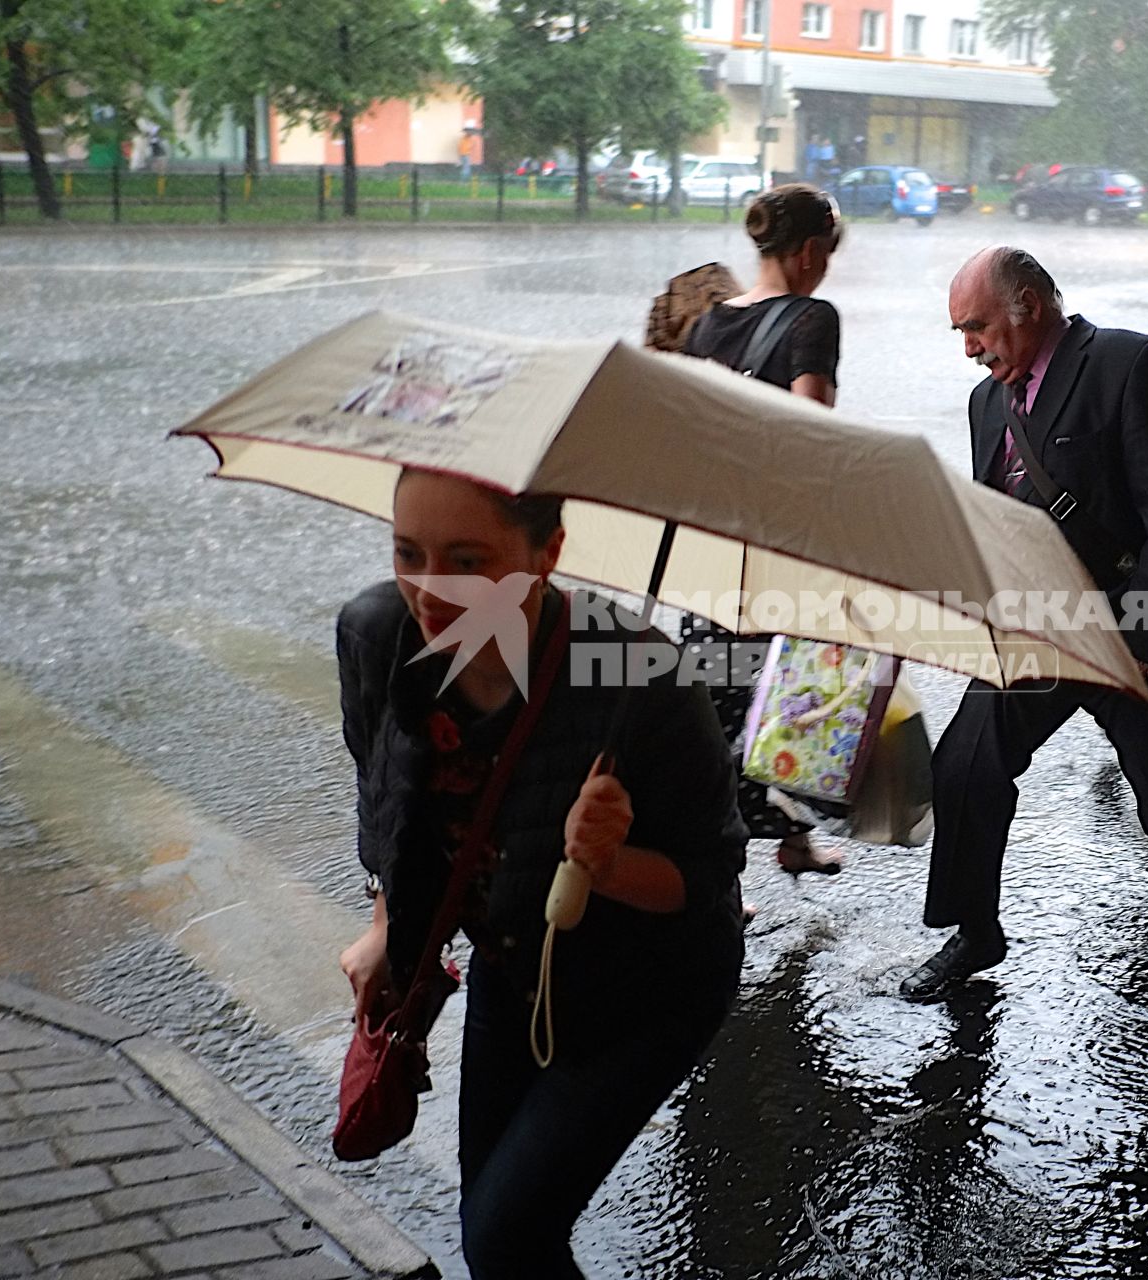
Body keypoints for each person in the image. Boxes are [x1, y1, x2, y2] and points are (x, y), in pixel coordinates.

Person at [335, 468, 746, 1279]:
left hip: (648, 991)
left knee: (504, 1234)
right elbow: (386, 793)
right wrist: (389, 925)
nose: (430, 590)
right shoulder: (376, 633)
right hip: (511, 965)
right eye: (406, 552)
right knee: (496, 1228)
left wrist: (607, 862)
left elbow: (706, 878)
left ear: (548, 550)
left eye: (467, 560)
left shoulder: (639, 674)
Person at [901, 247, 1148, 1014]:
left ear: (1027, 306)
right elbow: (999, 519)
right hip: (1038, 626)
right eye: (961, 332)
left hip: (1127, 630)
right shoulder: (987, 402)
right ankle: (976, 931)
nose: (968, 347)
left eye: (976, 327)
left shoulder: (1130, 365)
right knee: (965, 766)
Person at [682, 183, 846, 877]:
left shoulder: (707, 323)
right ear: (809, 252)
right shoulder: (814, 318)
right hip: (772, 532)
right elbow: (808, 433)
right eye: (828, 254)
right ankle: (720, 871)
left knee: (721, 689)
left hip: (710, 527)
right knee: (785, 693)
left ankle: (782, 839)